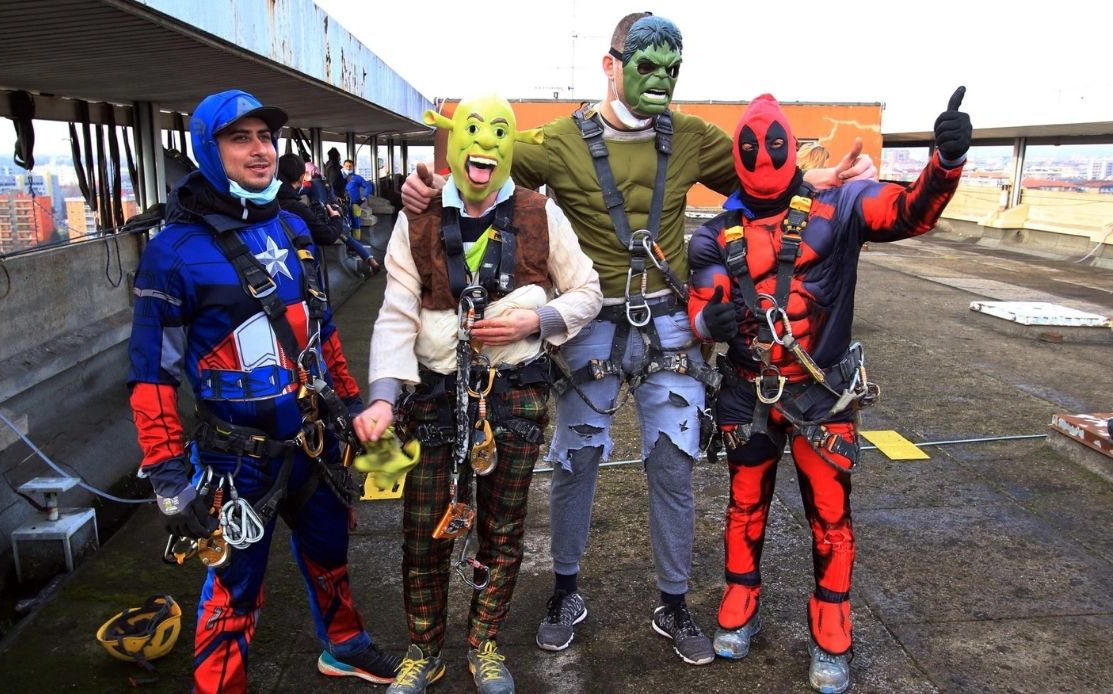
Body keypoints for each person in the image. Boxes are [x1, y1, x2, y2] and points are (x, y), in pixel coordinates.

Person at [401, 12, 876, 667]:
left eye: (671, 70)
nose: (660, 80)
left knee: (672, 469)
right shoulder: (560, 141)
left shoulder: (690, 137)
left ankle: (674, 603)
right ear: (610, 64)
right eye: (647, 66)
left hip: (669, 324)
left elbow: (760, 180)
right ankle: (564, 592)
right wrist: (430, 185)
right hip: (589, 322)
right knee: (573, 465)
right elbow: (481, 163)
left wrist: (819, 183)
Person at [687, 88, 970, 693]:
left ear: (792, 147)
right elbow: (702, 303)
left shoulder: (840, 208)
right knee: (744, 506)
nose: (762, 155)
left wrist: (943, 166)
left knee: (831, 518)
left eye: (773, 142)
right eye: (751, 145)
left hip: (825, 395)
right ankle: (740, 602)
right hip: (748, 394)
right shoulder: (713, 235)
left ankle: (832, 630)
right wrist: (709, 322)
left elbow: (908, 212)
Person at [127, 89, 401, 692]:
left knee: (331, 552)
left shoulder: (294, 227)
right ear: (207, 148)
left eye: (265, 138)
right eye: (240, 138)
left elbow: (321, 335)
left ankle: (344, 645)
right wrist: (171, 478)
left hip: (311, 441)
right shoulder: (173, 253)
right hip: (234, 459)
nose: (260, 151)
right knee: (234, 585)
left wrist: (351, 404)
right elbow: (152, 375)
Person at [353, 94, 602, 694]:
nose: (484, 144)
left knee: (504, 526)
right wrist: (384, 395)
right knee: (421, 528)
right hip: (435, 396)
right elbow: (395, 313)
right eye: (473, 132)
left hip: (514, 398)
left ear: (509, 144)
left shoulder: (543, 215)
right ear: (455, 146)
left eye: (497, 132)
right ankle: (424, 651)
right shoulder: (416, 219)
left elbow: (588, 290)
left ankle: (485, 645)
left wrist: (533, 323)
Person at [277, 154, 381, 274]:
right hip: (334, 215)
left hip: (321, 219)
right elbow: (333, 199)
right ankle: (370, 259)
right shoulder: (326, 183)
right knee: (348, 238)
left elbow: (299, 192)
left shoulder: (308, 186)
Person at [344, 159, 374, 239]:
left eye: (350, 166)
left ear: (353, 167)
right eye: (346, 166)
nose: (348, 168)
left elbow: (368, 186)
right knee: (345, 224)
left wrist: (363, 198)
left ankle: (357, 243)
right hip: (343, 205)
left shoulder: (356, 178)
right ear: (343, 166)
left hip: (355, 204)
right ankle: (348, 244)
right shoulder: (339, 178)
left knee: (356, 224)